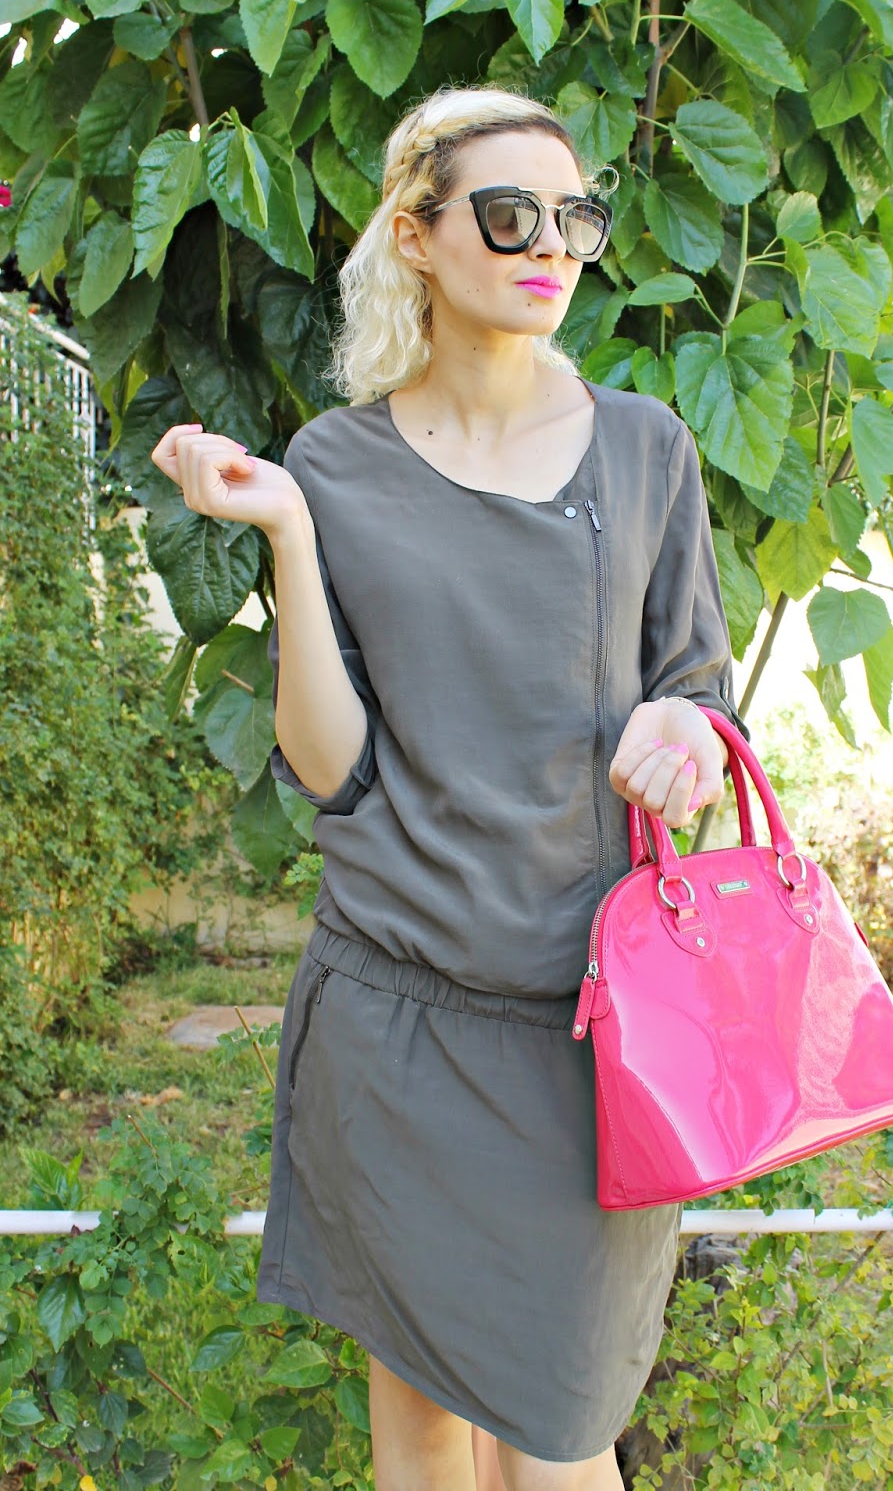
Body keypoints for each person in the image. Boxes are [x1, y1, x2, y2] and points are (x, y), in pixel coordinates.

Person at [150, 82, 745, 1491]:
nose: (550, 246)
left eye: (574, 218)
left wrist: (687, 729)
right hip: (396, 1015)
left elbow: (703, 695)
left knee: (559, 1439)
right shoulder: (333, 466)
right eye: (509, 214)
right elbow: (330, 767)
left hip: (586, 1031)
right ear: (416, 235)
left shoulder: (645, 448)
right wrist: (289, 535)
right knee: (417, 1429)